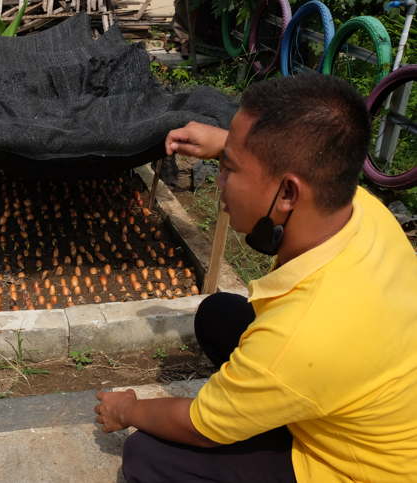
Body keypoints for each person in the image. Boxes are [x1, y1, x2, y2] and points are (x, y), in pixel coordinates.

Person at [94, 73, 417, 482]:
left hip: (363, 468)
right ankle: (275, 406)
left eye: (230, 168)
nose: (221, 186)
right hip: (360, 387)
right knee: (219, 315)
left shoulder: (300, 335)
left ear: (287, 195)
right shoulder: (359, 209)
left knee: (148, 457)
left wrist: (128, 409)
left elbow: (199, 428)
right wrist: (223, 145)